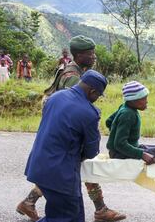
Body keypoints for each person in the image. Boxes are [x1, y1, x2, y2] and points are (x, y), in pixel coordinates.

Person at [17, 35, 126, 222]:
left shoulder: (70, 83)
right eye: (90, 54)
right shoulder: (72, 78)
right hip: (63, 163)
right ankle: (100, 208)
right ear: (79, 55)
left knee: (71, 214)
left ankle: (30, 201)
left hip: (44, 159)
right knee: (66, 213)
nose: (94, 57)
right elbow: (88, 145)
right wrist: (91, 121)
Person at [24, 70, 107, 222]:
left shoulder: (55, 97)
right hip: (61, 173)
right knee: (65, 218)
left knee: (74, 216)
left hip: (38, 164)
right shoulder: (89, 113)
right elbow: (91, 151)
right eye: (97, 95)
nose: (96, 99)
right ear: (92, 91)